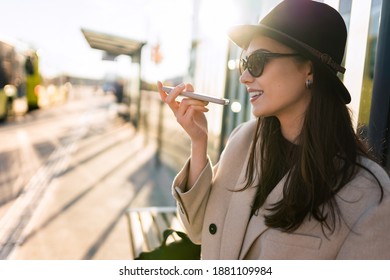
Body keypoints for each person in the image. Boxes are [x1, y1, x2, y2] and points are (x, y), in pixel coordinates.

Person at [157, 0, 390, 259]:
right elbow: (198, 231)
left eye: (257, 61)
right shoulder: (243, 141)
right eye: (244, 63)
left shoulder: (368, 193)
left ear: (309, 69)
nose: (244, 77)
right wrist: (198, 142)